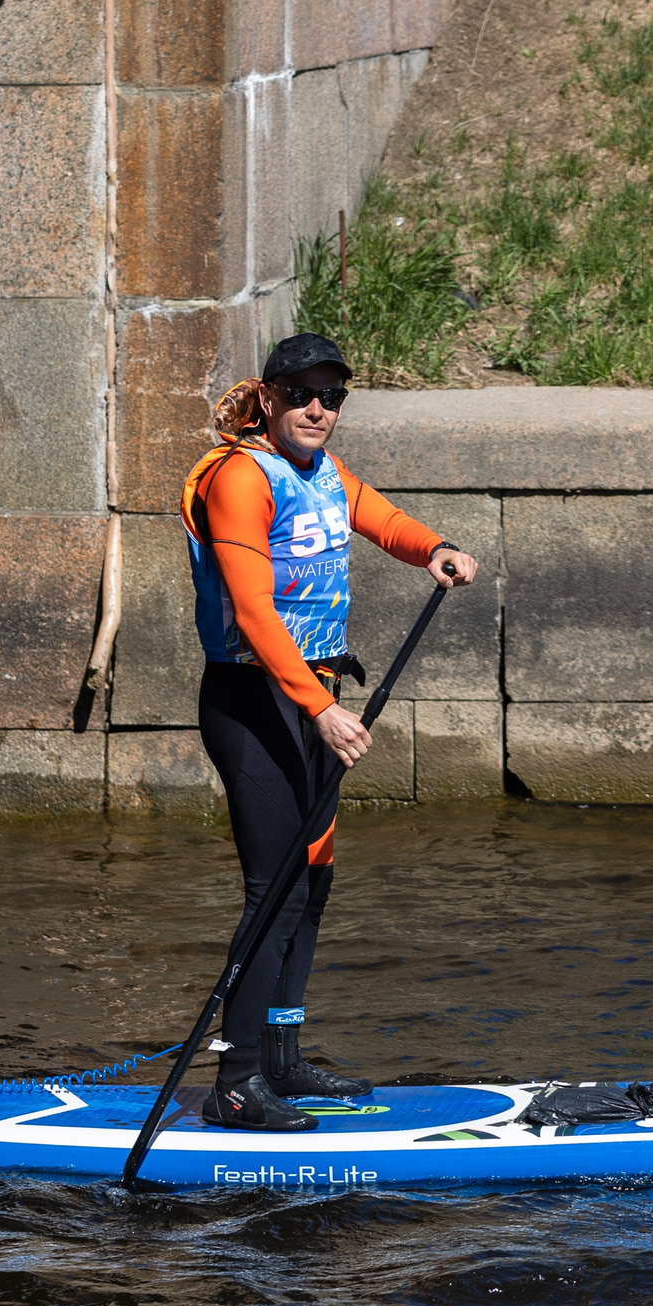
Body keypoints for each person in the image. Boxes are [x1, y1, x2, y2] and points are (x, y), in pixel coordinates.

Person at [180, 332, 480, 1132]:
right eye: (305, 393)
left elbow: (380, 520)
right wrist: (320, 709)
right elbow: (251, 611)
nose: (320, 408)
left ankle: (281, 1056)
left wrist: (435, 549)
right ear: (269, 398)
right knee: (272, 889)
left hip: (314, 694)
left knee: (311, 884)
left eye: (334, 396)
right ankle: (236, 1082)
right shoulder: (241, 480)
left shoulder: (323, 473)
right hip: (254, 701)